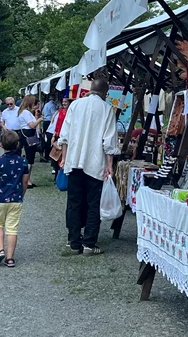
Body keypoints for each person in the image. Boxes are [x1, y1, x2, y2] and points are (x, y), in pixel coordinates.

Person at [59, 79, 119, 256]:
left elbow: (65, 135)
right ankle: (89, 243)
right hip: (95, 162)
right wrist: (109, 165)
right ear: (105, 93)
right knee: (94, 204)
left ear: (90, 90)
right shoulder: (107, 109)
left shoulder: (75, 105)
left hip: (74, 160)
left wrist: (64, 158)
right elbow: (109, 140)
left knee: (74, 202)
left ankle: (74, 241)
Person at [0, 130, 29, 268]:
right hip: (16, 200)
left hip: (0, 199)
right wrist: (21, 194)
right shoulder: (23, 162)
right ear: (18, 144)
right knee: (12, 228)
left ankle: (0, 249)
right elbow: (25, 181)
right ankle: (10, 258)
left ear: (1, 145)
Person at [18, 95, 44, 189]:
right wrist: (40, 120)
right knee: (30, 159)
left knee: (31, 159)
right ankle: (26, 180)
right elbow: (32, 125)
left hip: (27, 134)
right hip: (28, 134)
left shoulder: (25, 112)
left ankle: (28, 179)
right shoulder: (25, 113)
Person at [47, 97, 69, 175]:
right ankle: (56, 174)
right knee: (56, 155)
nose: (64, 103)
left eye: (66, 102)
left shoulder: (71, 112)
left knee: (64, 154)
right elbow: (57, 123)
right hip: (58, 134)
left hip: (66, 135)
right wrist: (54, 134)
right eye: (63, 102)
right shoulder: (61, 111)